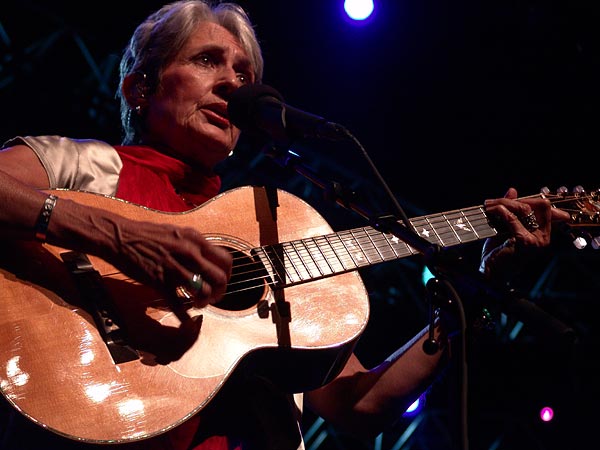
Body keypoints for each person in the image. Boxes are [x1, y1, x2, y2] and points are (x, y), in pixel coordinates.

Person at [0, 1, 570, 449]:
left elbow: (358, 406)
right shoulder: (84, 165)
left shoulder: (270, 223)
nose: (233, 83)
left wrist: (467, 304)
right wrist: (116, 236)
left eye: (244, 72)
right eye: (207, 61)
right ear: (140, 86)